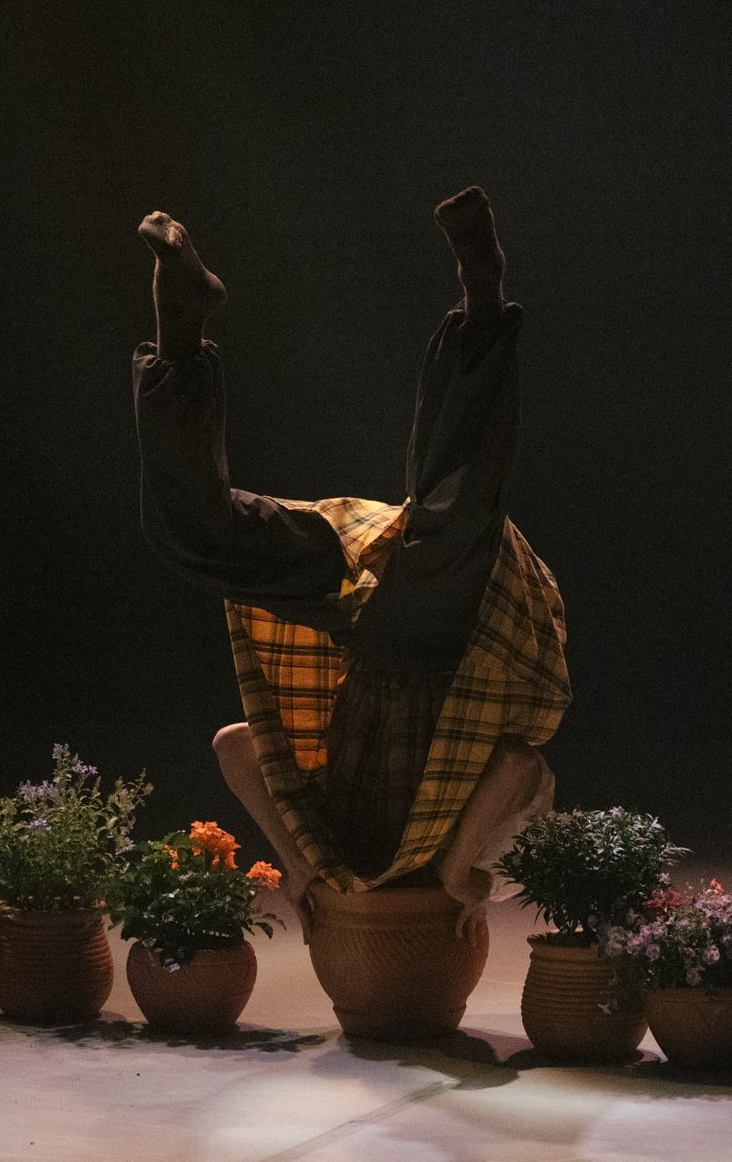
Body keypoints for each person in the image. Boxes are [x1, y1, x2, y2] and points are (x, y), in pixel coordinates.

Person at [132, 188, 570, 939]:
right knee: (450, 513)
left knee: (198, 538)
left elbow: (233, 746)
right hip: (458, 648)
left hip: (358, 622)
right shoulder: (460, 850)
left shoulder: (333, 844)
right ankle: (483, 306)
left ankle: (180, 336)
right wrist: (460, 873)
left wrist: (299, 862)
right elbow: (522, 769)